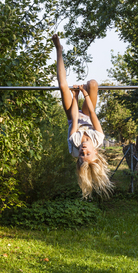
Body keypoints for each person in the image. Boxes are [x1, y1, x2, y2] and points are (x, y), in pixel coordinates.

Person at [52, 34, 113, 198]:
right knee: (92, 84)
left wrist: (75, 96)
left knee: (63, 86)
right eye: (88, 154)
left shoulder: (74, 145)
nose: (84, 151)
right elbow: (92, 113)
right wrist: (85, 93)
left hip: (74, 118)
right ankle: (86, 86)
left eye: (82, 155)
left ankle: (58, 49)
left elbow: (75, 119)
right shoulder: (99, 138)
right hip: (87, 114)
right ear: (96, 152)